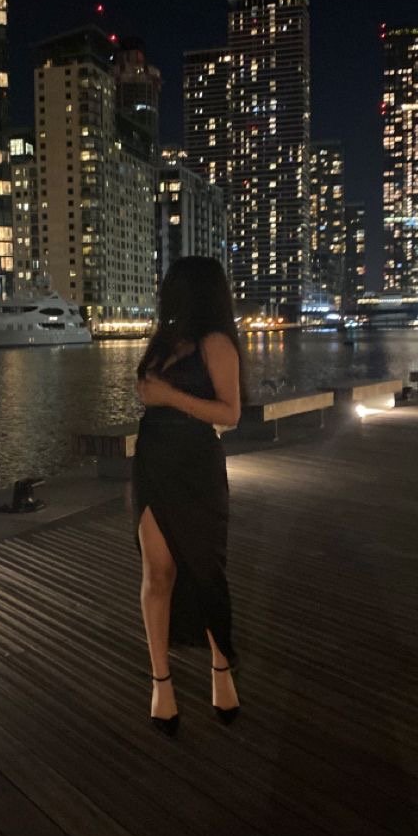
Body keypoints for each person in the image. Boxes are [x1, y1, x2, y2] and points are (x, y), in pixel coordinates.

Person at [134, 255, 244, 735]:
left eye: (172, 284)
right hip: (153, 464)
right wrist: (154, 395)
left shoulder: (216, 342)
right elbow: (149, 395)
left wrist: (169, 397)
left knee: (204, 570)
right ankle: (161, 681)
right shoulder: (164, 340)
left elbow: (231, 413)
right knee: (158, 572)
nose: (165, 290)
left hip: (196, 468)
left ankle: (221, 665)